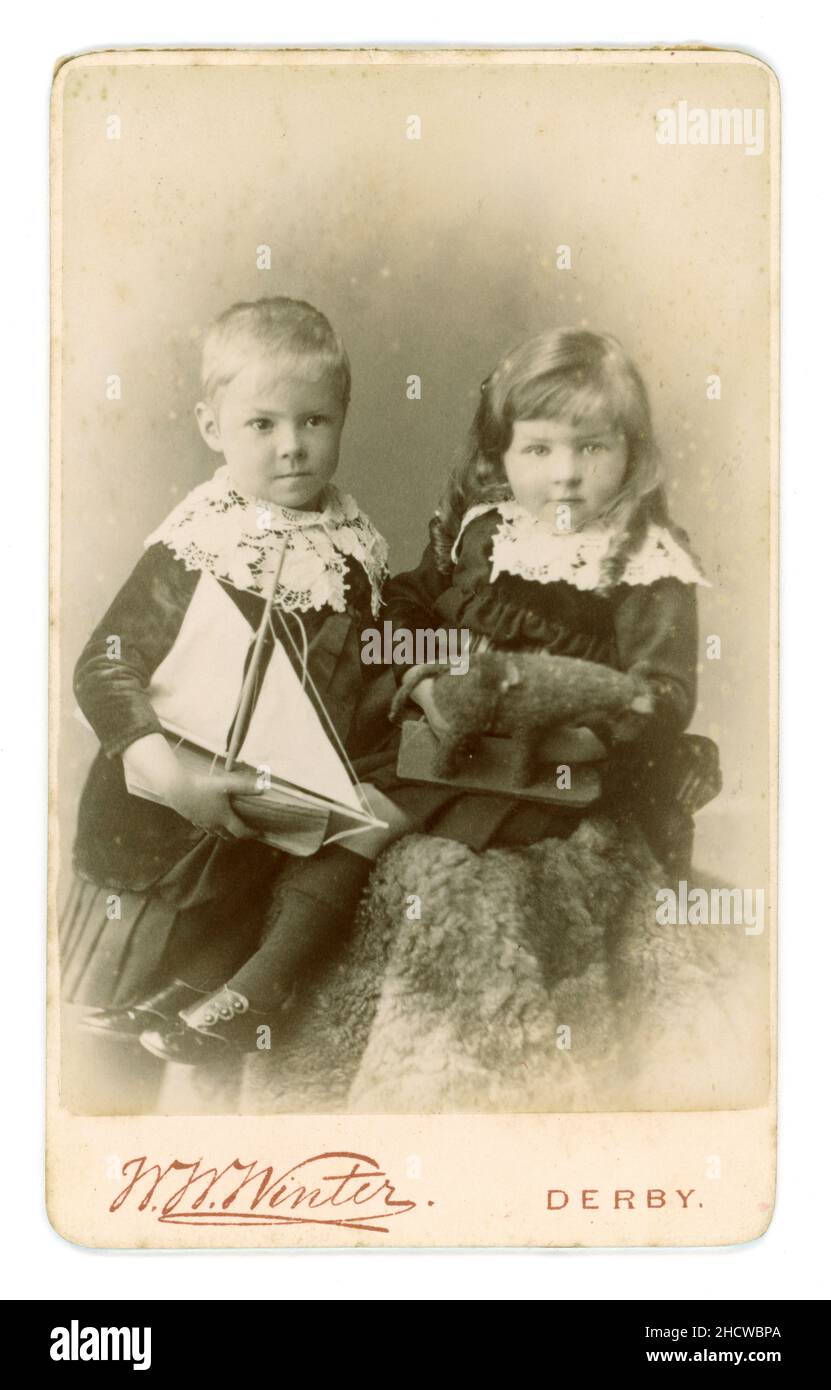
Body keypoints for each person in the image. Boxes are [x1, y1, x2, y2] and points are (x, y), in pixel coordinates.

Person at [62, 296, 408, 1066]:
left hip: (268, 824)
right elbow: (103, 667)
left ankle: (226, 1005)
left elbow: (357, 673)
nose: (292, 447)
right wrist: (170, 775)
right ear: (213, 429)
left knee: (213, 1019)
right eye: (263, 424)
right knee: (108, 1040)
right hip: (164, 828)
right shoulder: (201, 542)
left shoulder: (354, 547)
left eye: (314, 422)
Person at [370, 327, 717, 861]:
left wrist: (579, 742)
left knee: (451, 856)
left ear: (632, 454)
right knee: (353, 820)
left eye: (592, 447)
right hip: (450, 740)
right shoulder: (486, 528)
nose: (566, 475)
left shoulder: (646, 563)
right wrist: (421, 685)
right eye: (537, 449)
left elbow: (663, 692)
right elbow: (408, 601)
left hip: (562, 771)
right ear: (499, 458)